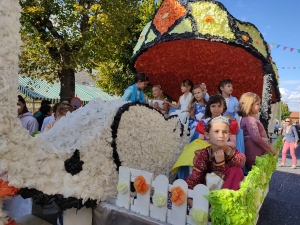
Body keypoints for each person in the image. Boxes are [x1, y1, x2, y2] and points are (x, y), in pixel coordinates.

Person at [185, 116, 245, 207]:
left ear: (229, 135)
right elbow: (195, 177)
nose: (221, 135)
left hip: (226, 193)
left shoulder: (234, 154)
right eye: (216, 131)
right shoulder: (204, 154)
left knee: (236, 170)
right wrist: (189, 198)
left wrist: (221, 162)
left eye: (225, 132)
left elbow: (241, 162)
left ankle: (226, 205)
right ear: (207, 135)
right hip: (207, 192)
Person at [176, 95, 238, 180]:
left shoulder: (230, 122)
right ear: (209, 107)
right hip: (205, 147)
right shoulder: (204, 123)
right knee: (193, 153)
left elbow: (233, 143)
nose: (216, 108)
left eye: (219, 106)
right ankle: (193, 178)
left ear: (224, 107)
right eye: (213, 106)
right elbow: (200, 140)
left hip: (223, 148)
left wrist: (219, 143)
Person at [238, 92, 277, 171]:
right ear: (249, 105)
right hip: (254, 152)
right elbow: (256, 138)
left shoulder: (246, 119)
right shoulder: (250, 120)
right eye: (257, 104)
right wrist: (270, 149)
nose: (260, 106)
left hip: (252, 150)